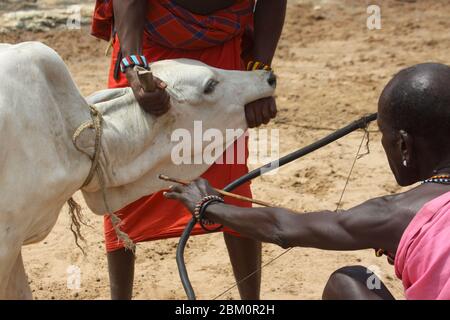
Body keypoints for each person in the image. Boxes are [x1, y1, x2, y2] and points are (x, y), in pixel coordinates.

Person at [165, 63, 450, 300]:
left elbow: (282, 228)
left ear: (403, 145)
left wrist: (207, 205)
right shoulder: (401, 219)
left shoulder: (396, 214)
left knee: (348, 282)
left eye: (383, 135)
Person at [91, 0, 286, 299]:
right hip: (147, 48)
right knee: (127, 172)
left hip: (223, 59)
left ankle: (251, 303)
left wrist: (258, 73)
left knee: (232, 182)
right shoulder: (139, 60)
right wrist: (133, 65)